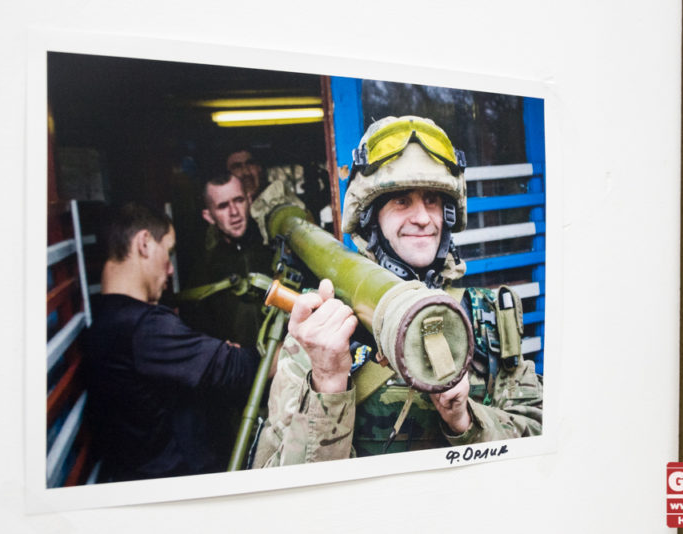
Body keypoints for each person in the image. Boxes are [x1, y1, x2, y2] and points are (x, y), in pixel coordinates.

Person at [252, 116, 542, 466]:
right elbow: (281, 478)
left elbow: (538, 439)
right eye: (402, 201)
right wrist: (328, 383)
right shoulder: (323, 326)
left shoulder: (484, 315)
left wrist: (464, 420)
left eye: (432, 200)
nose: (422, 217)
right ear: (371, 219)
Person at [83, 202, 266, 481]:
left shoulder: (106, 321)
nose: (170, 270)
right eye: (168, 253)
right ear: (144, 243)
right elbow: (239, 368)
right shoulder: (144, 328)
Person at [194, 173, 274, 348]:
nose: (234, 212)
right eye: (223, 206)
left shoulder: (273, 249)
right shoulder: (204, 270)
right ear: (208, 216)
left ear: (249, 200)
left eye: (238, 200)